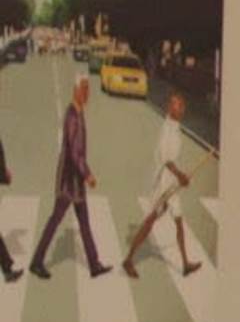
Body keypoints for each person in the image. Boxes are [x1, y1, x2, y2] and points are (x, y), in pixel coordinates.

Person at [24, 74, 108, 280]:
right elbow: (73, 151)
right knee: (55, 219)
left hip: (76, 180)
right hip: (69, 180)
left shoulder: (79, 112)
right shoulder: (72, 115)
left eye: (88, 89)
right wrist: (87, 174)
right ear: (76, 90)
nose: (88, 94)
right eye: (85, 89)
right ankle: (36, 262)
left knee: (84, 221)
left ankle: (94, 264)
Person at [118, 93, 205, 279]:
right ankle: (128, 260)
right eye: (176, 105)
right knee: (149, 222)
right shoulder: (167, 129)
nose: (180, 108)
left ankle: (185, 263)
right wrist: (181, 176)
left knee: (179, 222)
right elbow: (167, 160)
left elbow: (172, 159)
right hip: (163, 184)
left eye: (182, 105)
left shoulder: (175, 128)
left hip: (171, 183)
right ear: (169, 108)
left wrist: (179, 178)